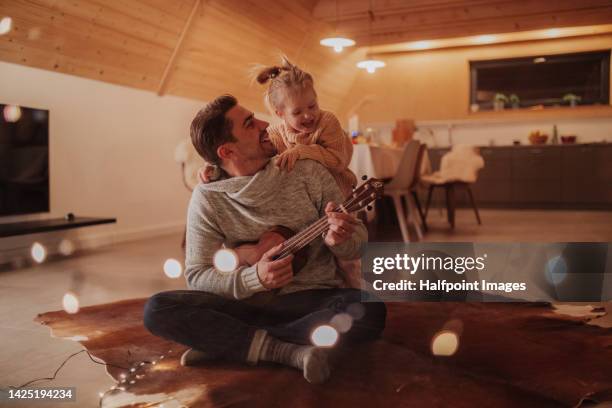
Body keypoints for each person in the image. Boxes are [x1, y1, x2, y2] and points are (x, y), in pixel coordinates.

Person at [143, 95, 386, 384]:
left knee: (369, 309)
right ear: (228, 150)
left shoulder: (306, 170)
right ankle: (285, 349)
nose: (266, 124)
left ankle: (231, 343)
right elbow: (197, 275)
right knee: (157, 309)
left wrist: (340, 240)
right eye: (250, 123)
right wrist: (253, 278)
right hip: (244, 302)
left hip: (309, 300)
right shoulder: (208, 197)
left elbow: (358, 242)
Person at [200, 56, 361, 288]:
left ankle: (353, 296)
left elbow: (338, 160)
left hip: (341, 197)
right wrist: (213, 168)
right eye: (297, 112)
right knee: (315, 253)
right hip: (308, 205)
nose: (308, 116)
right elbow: (246, 156)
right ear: (279, 114)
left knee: (348, 263)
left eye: (312, 106)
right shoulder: (276, 133)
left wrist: (303, 151)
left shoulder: (327, 122)